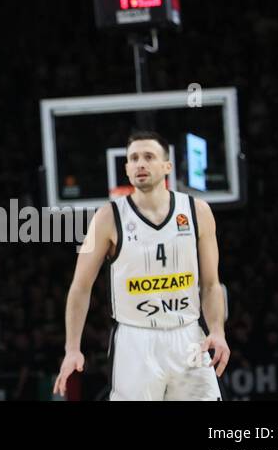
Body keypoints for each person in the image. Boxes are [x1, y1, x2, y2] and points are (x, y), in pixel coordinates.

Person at [53, 131, 230, 400]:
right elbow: (80, 287)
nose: (140, 164)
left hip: (189, 336)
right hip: (135, 340)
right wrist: (72, 349)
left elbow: (210, 284)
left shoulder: (198, 211)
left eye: (148, 157)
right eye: (133, 158)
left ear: (167, 166)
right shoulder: (106, 218)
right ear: (125, 168)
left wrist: (217, 330)